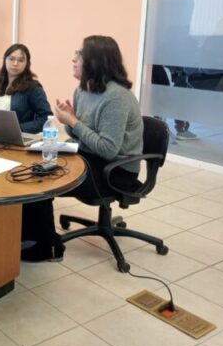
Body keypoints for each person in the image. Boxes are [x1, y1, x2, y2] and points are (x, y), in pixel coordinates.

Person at [21, 35, 144, 262]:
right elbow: (78, 134)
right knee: (33, 168)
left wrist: (73, 121)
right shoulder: (83, 90)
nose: (74, 60)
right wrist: (70, 120)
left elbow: (108, 149)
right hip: (89, 156)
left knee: (42, 182)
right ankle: (28, 239)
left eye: (79, 55)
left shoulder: (116, 98)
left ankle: (47, 248)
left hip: (116, 170)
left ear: (95, 62)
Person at [0, 44, 51, 133]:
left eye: (21, 60)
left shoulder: (33, 88)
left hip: (14, 136)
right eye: (11, 59)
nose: (15, 64)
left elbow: (45, 118)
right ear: (5, 60)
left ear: (27, 63)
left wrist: (18, 128)